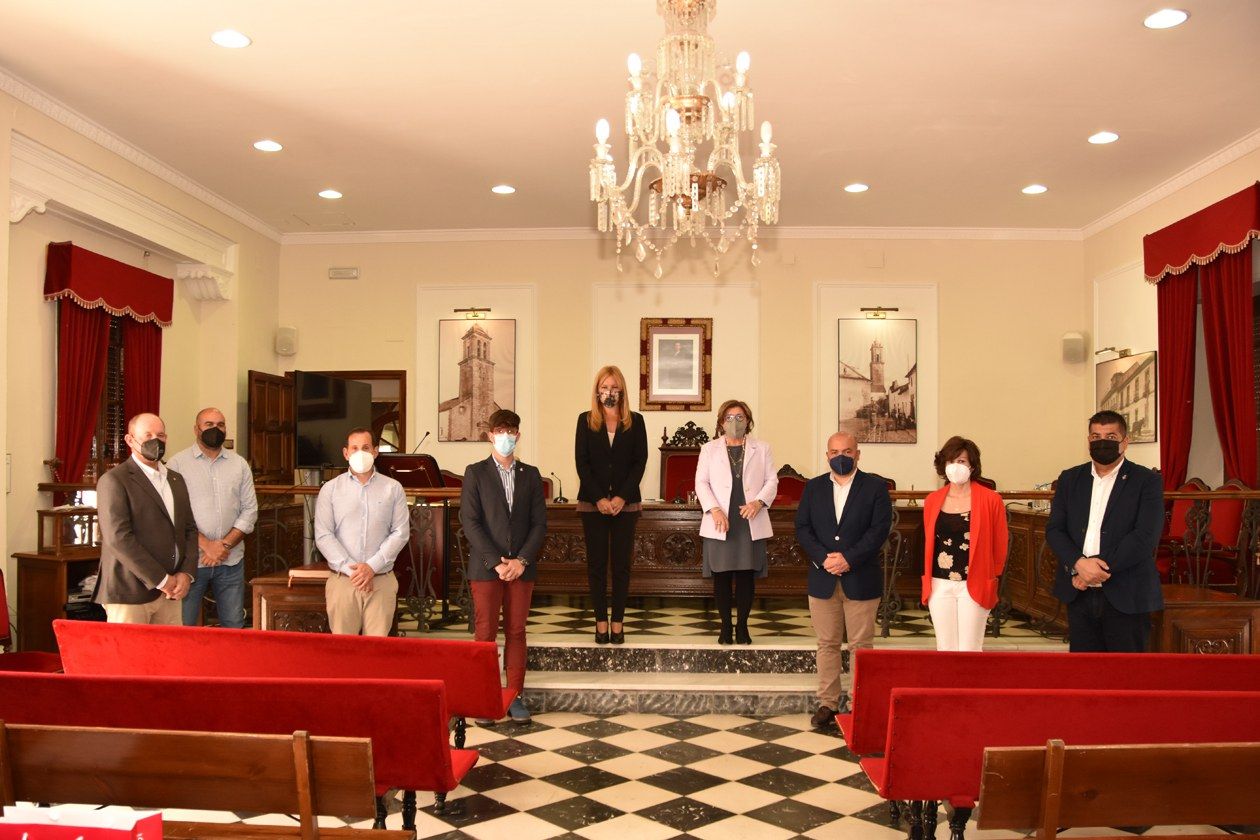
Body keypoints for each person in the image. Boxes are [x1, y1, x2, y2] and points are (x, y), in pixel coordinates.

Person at [795, 431, 891, 729]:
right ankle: (828, 703)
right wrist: (825, 558)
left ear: (857, 454)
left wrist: (848, 558)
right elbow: (802, 528)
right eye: (835, 451)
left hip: (861, 577)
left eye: (847, 451)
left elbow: (878, 531)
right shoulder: (813, 488)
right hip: (822, 578)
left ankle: (862, 702)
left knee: (861, 645)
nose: (841, 456)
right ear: (827, 455)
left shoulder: (875, 487)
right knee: (827, 643)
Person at [1046, 410, 1164, 652]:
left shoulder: (1146, 481)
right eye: (1095, 436)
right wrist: (1079, 564)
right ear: (1088, 440)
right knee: (1085, 676)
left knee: (1126, 677)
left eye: (1110, 436)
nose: (1102, 442)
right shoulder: (1070, 479)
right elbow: (1055, 530)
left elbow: (1145, 537)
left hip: (1127, 592)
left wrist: (1093, 569)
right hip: (1079, 593)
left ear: (1125, 441)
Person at [460, 409, 547, 724]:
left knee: (516, 631)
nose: (506, 436)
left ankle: (515, 696)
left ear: (518, 436)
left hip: (521, 568)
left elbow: (539, 524)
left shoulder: (531, 474)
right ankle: (484, 698)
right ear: (490, 435)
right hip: (487, 569)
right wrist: (496, 562)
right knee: (485, 632)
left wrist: (521, 560)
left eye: (511, 431)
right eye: (500, 431)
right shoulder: (476, 473)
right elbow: (469, 522)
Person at [93, 413, 198, 624]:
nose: (155, 440)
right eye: (147, 434)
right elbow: (118, 538)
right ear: (130, 440)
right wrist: (161, 579)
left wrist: (186, 574)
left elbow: (189, 530)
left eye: (160, 435)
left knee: (170, 656)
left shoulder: (176, 479)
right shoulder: (114, 480)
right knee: (130, 657)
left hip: (172, 592)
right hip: (130, 592)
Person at [574, 365, 648, 645]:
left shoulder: (636, 421)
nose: (609, 392)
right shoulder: (585, 421)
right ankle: (600, 622)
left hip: (625, 505)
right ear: (597, 391)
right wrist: (600, 499)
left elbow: (639, 463)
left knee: (620, 566)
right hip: (593, 504)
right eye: (605, 387)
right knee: (596, 566)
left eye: (615, 388)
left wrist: (620, 498)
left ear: (622, 391)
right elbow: (583, 463)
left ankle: (618, 621)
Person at [695, 399, 778, 644]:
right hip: (721, 521)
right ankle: (724, 628)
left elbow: (772, 481)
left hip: (749, 519)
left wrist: (758, 502)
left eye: (740, 417)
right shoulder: (708, 449)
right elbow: (701, 482)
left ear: (748, 421)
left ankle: (742, 626)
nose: (734, 422)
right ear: (721, 422)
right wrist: (714, 509)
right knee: (721, 576)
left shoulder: (762, 448)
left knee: (745, 576)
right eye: (729, 418)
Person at [168, 407, 258, 628]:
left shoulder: (240, 464)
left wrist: (223, 545)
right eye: (209, 424)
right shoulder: (176, 464)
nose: (215, 429)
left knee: (234, 624)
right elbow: (173, 513)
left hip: (231, 559)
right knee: (184, 625)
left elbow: (250, 510)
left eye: (220, 425)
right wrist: (206, 545)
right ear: (196, 429)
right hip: (190, 562)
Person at [314, 428, 408, 637]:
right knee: (343, 653)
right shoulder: (330, 489)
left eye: (365, 448)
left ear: (375, 452)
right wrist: (355, 572)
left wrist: (371, 567)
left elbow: (400, 533)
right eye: (354, 448)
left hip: (381, 580)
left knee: (377, 654)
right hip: (343, 582)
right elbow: (323, 535)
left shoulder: (393, 488)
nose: (360, 453)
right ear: (346, 453)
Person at [920, 436, 1009, 652]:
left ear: (972, 465)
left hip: (975, 582)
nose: (955, 467)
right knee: (945, 648)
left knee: (970, 649)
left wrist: (992, 574)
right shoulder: (933, 500)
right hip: (939, 583)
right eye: (950, 461)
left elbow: (1001, 542)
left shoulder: (990, 500)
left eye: (961, 461)